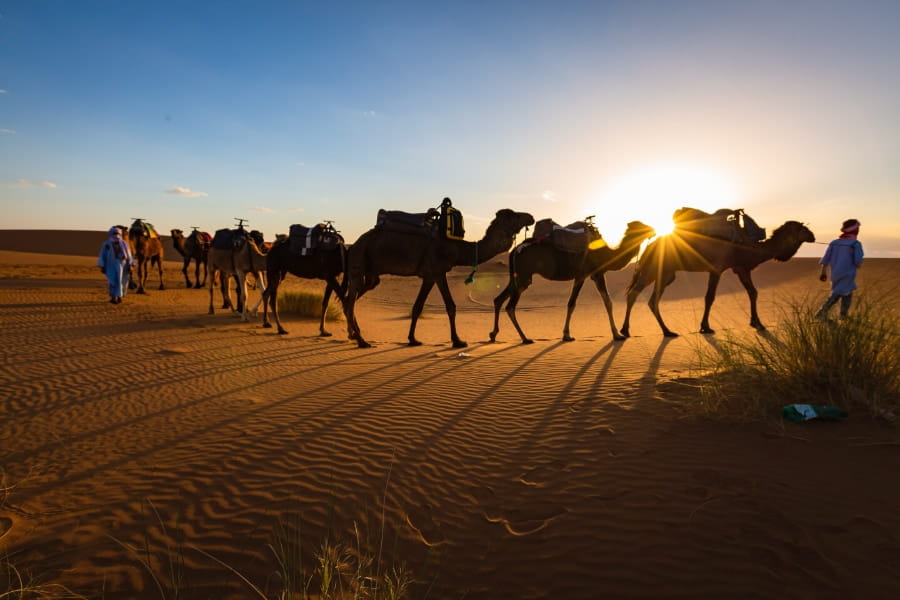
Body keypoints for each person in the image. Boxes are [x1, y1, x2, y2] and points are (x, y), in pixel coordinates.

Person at [816, 218, 864, 319]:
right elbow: (858, 260)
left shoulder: (834, 242)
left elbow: (826, 258)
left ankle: (843, 315)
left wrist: (823, 272)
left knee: (847, 293)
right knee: (837, 294)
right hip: (848, 273)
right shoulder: (855, 244)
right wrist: (858, 264)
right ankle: (821, 313)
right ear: (855, 230)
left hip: (835, 273)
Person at [98, 226, 133, 304]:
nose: (116, 235)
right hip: (110, 266)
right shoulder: (106, 244)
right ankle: (113, 297)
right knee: (112, 281)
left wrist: (131, 265)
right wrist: (102, 266)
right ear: (111, 234)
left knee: (121, 281)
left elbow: (129, 255)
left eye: (117, 233)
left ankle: (120, 297)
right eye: (114, 233)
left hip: (123, 266)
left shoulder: (124, 244)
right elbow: (102, 255)